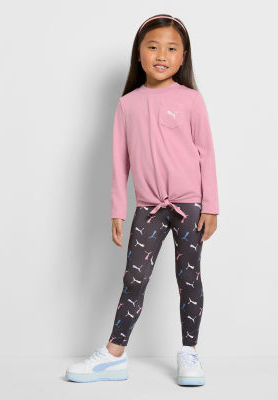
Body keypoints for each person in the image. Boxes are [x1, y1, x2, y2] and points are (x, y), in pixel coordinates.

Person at [66, 13, 219, 386]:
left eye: (171, 49)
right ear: (138, 53)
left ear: (183, 57)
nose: (161, 55)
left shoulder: (191, 100)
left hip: (189, 207)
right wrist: (117, 211)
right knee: (134, 279)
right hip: (149, 209)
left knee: (189, 278)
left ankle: (189, 352)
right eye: (153, 47)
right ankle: (114, 355)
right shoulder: (127, 104)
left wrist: (212, 206)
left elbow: (207, 153)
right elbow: (120, 163)